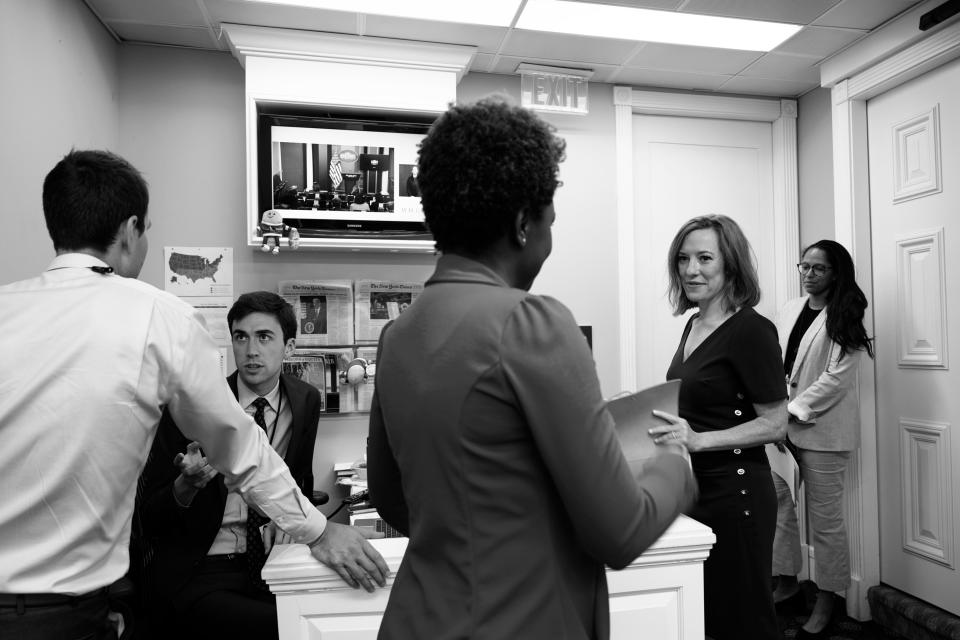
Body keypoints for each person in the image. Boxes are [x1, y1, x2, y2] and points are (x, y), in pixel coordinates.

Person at [0, 150, 388, 640]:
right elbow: (242, 449)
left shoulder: (6, 307)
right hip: (73, 609)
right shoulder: (157, 317)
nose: (251, 350)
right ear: (131, 228)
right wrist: (320, 530)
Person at [366, 97, 698, 640]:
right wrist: (674, 466)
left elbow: (391, 495)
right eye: (550, 220)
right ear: (524, 224)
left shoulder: (397, 335)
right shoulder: (531, 322)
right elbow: (620, 531)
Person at [137, 291, 323, 639]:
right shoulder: (192, 408)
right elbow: (149, 516)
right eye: (241, 337)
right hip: (205, 566)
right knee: (287, 630)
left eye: (264, 337)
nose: (250, 350)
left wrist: (285, 523)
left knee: (326, 616)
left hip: (273, 564)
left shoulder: (305, 401)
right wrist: (185, 487)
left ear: (291, 347)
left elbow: (300, 480)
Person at [648, 214, 788, 640]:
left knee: (745, 617)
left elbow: (776, 423)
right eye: (683, 259)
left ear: (730, 264)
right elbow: (704, 402)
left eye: (705, 258)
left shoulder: (752, 331)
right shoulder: (693, 325)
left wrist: (699, 439)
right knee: (710, 613)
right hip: (700, 488)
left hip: (738, 492)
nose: (692, 270)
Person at [769, 240, 874, 639]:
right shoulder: (789, 309)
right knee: (779, 504)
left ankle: (828, 599)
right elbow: (777, 362)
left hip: (822, 431)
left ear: (836, 274)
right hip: (779, 427)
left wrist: (790, 412)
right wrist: (773, 413)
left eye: (818, 269)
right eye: (804, 266)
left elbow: (835, 379)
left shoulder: (846, 315)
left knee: (826, 522)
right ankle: (787, 582)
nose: (808, 275)